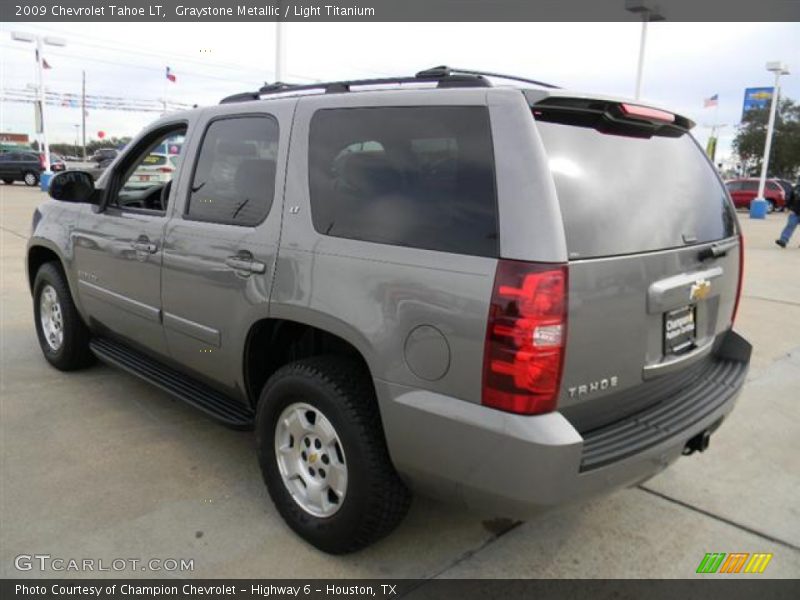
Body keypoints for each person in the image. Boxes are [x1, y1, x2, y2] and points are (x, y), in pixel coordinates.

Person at [775, 181, 800, 248]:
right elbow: (790, 198)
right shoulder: (796, 188)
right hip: (794, 211)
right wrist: (786, 207)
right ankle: (783, 241)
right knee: (790, 226)